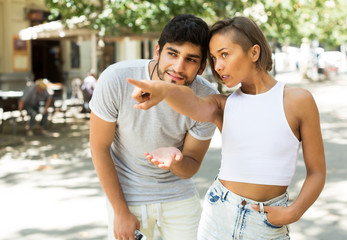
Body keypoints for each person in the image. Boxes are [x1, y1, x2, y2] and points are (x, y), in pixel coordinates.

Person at [128, 16, 326, 239]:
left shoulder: (299, 101)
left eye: (224, 54)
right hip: (218, 214)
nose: (218, 65)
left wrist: (293, 212)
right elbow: (191, 101)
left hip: (266, 221)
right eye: (213, 58)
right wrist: (162, 89)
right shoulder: (222, 104)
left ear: (254, 52)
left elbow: (317, 172)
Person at [89, 14, 219, 240]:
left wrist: (175, 162)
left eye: (190, 59)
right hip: (126, 195)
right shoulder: (116, 79)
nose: (178, 67)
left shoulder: (207, 98)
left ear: (201, 67)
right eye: (173, 54)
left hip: (179, 195)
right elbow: (99, 147)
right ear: (157, 52)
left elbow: (192, 164)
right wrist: (120, 211)